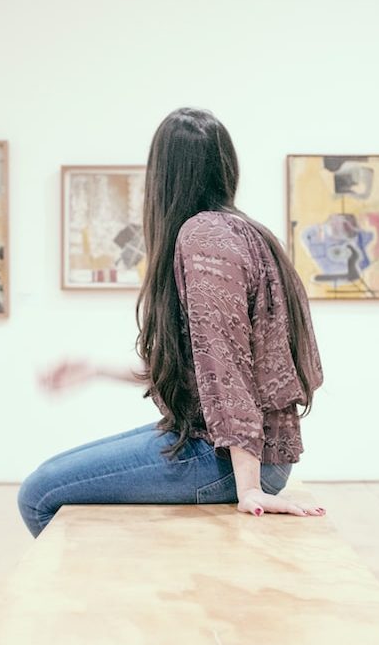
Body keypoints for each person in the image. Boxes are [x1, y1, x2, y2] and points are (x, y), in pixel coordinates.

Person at [17, 108, 325, 538]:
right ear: (225, 166)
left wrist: (250, 487)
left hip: (226, 460)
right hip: (232, 450)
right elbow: (201, 368)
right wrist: (94, 369)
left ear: (162, 175)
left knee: (39, 493)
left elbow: (225, 363)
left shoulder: (203, 237)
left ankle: (109, 599)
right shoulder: (244, 232)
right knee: (50, 480)